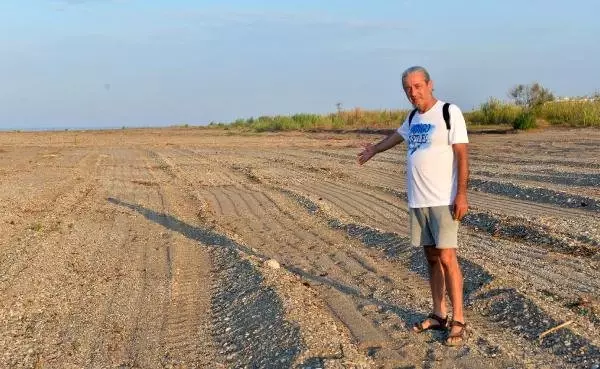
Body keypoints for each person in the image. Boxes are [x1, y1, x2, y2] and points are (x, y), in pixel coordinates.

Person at [357, 66, 470, 346]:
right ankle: (438, 314)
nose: (413, 92)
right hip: (418, 200)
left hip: (443, 199)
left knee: (447, 258)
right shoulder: (412, 117)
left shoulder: (448, 112)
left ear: (430, 84)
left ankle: (458, 320)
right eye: (408, 88)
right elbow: (396, 137)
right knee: (431, 258)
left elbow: (462, 156)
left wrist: (462, 195)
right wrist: (374, 150)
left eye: (418, 86)